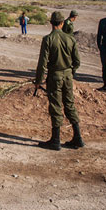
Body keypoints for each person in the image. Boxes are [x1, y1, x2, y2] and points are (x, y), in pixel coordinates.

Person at [35, 11, 83, 151]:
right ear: (62, 23)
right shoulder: (71, 39)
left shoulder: (48, 39)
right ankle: (78, 137)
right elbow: (77, 62)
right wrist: (70, 72)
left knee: (56, 105)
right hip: (68, 76)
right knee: (69, 104)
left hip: (54, 76)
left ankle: (56, 140)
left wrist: (38, 81)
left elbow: (42, 63)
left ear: (51, 23)